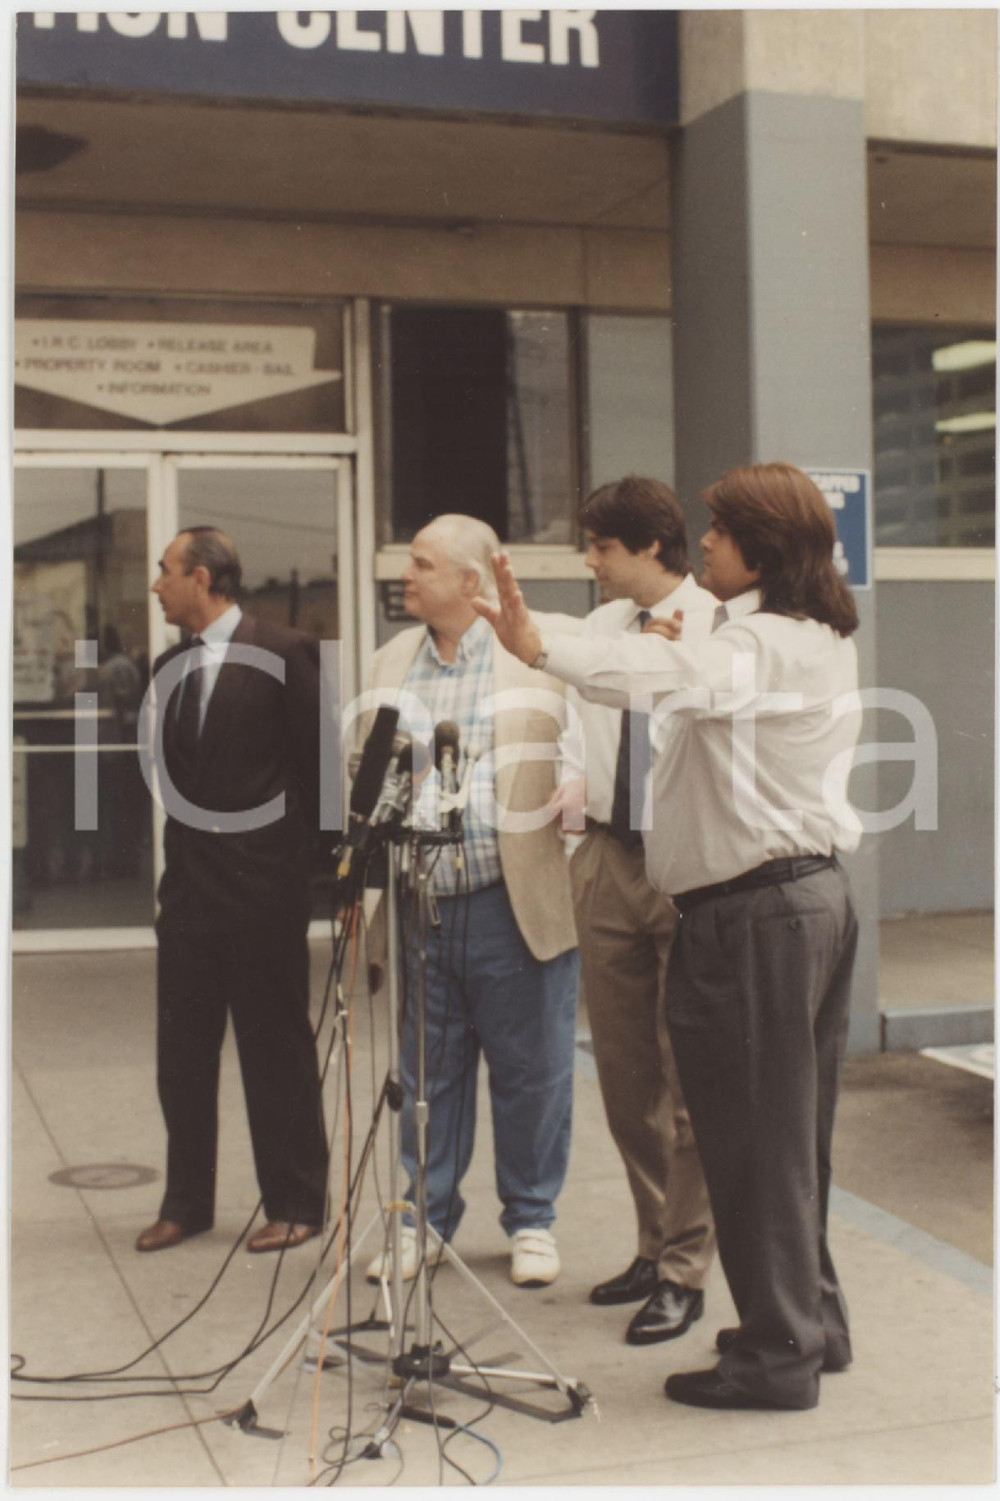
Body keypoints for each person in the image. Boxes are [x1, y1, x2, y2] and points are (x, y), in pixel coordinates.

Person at [473, 463, 862, 1410]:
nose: (709, 544)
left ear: (761, 546)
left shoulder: (761, 643)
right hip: (796, 904)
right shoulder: (799, 637)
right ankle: (811, 1324)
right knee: (789, 1138)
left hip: (757, 915)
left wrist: (532, 641)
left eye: (722, 531)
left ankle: (775, 1356)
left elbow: (661, 673)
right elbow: (656, 665)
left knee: (751, 1142)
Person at [363, 514, 579, 1288]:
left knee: (533, 1070)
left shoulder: (538, 653)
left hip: (511, 900)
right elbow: (363, 765)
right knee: (430, 1074)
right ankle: (422, 1218)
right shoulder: (391, 659)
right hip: (426, 901)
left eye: (420, 564)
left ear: (469, 579)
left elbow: (586, 760)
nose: (406, 576)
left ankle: (531, 1220)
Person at [136, 527, 330, 1255]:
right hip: (187, 900)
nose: (156, 584)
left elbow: (322, 775)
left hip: (262, 898)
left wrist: (325, 877)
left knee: (274, 1052)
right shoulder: (167, 666)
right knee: (181, 1058)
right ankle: (185, 1202)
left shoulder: (285, 653)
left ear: (205, 578)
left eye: (165, 571)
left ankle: (296, 1201)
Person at [555, 477, 717, 1346]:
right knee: (626, 1082)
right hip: (609, 860)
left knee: (689, 1083)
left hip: (687, 867)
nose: (590, 561)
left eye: (602, 546)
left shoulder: (721, 626)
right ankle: (653, 1244)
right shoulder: (597, 630)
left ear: (652, 545)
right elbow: (576, 727)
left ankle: (686, 1268)